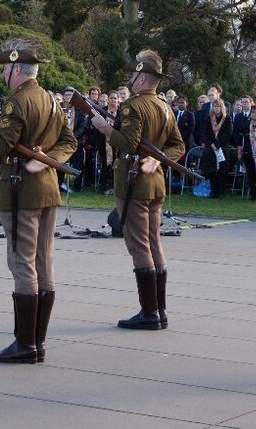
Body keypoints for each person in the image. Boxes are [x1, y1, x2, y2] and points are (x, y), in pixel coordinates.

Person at [0, 38, 77, 364]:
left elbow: (4, 145)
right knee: (43, 264)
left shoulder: (16, 102)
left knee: (22, 264)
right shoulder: (50, 101)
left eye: (5, 69)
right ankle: (36, 343)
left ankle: (25, 345)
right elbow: (69, 141)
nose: (3, 73)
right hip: (48, 190)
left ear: (16, 70)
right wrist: (48, 160)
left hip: (22, 191)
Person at [90, 49, 185, 331]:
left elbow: (128, 144)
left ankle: (149, 312)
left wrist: (105, 128)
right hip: (156, 182)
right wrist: (159, 158)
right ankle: (160, 310)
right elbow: (177, 145)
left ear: (143, 77)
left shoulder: (133, 106)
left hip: (133, 182)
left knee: (139, 244)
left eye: (135, 74)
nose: (132, 78)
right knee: (154, 242)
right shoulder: (165, 106)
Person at [199, 97, 232, 199]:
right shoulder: (208, 119)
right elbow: (205, 133)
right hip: (211, 148)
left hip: (222, 148)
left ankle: (220, 191)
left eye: (218, 106)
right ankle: (213, 191)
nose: (217, 108)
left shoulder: (226, 119)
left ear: (222, 107)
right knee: (212, 170)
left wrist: (218, 144)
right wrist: (212, 144)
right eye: (215, 106)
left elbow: (227, 134)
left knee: (222, 170)